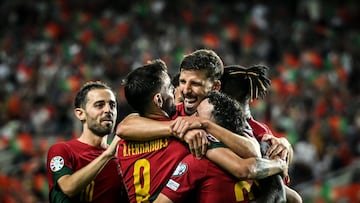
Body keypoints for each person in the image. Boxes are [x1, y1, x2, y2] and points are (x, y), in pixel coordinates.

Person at [119, 59, 288, 203]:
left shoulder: (123, 144)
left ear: (216, 89)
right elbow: (247, 166)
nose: (183, 91)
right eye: (175, 87)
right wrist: (180, 129)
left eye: (194, 84)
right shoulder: (190, 139)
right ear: (158, 99)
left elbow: (123, 127)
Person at [154, 90, 288, 203]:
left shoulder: (197, 162)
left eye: (198, 115)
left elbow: (245, 169)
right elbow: (295, 198)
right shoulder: (264, 164)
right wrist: (279, 164)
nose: (192, 118)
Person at [221, 64, 302, 203]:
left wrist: (286, 148)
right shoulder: (262, 130)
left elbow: (277, 188)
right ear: (250, 98)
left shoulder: (259, 134)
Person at [46, 81, 129, 203]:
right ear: (80, 114)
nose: (108, 110)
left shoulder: (121, 158)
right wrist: (107, 155)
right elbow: (68, 187)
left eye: (112, 105)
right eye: (99, 105)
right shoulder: (63, 150)